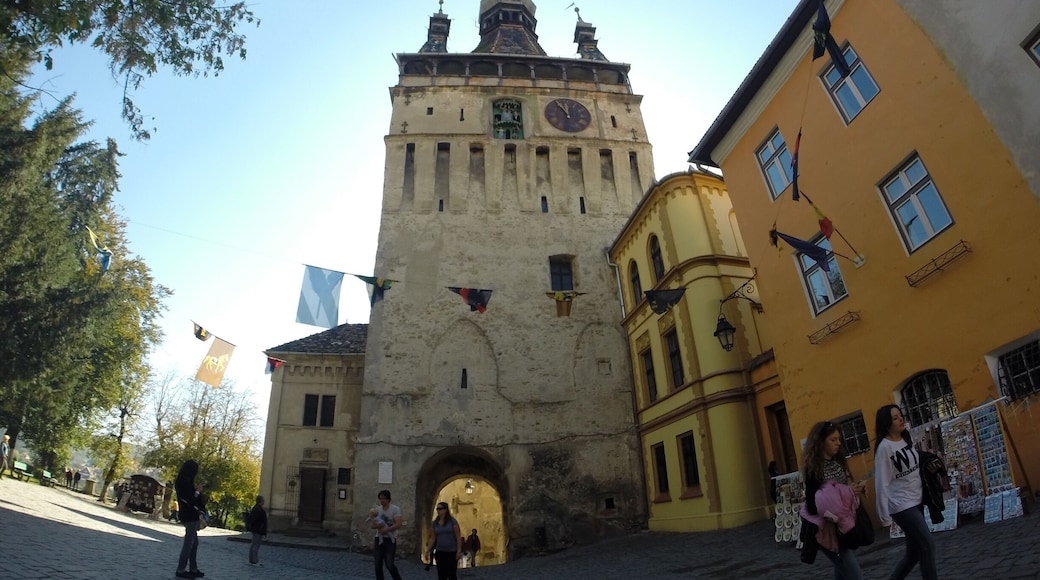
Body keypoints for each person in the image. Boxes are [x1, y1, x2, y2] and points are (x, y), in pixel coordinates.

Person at [875, 405, 938, 580]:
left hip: (917, 501)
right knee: (927, 546)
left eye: (900, 415)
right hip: (901, 505)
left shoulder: (905, 439)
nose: (901, 419)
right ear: (886, 423)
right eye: (895, 418)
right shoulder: (884, 448)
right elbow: (882, 484)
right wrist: (884, 517)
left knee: (914, 553)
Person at [799, 421, 865, 580]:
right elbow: (812, 504)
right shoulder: (814, 468)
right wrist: (832, 505)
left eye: (838, 439)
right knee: (853, 574)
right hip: (824, 528)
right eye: (833, 439)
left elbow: (842, 489)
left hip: (842, 524)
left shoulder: (838, 462)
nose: (838, 443)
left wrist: (853, 490)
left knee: (842, 573)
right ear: (821, 442)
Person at [174, 460, 207, 579]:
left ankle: (193, 568)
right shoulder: (184, 483)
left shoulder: (184, 481)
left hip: (189, 514)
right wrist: (197, 491)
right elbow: (190, 500)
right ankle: (181, 569)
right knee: (189, 543)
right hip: (189, 515)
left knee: (194, 543)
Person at [425, 502, 462, 580]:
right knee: (441, 575)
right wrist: (427, 551)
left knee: (452, 574)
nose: (438, 511)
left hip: (451, 552)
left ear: (445, 510)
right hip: (440, 552)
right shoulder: (434, 523)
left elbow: (458, 537)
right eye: (437, 509)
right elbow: (432, 538)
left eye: (440, 509)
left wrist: (459, 551)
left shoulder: (453, 522)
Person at [371, 489, 403, 580]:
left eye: (384, 499)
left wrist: (387, 529)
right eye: (380, 499)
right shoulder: (377, 510)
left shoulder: (395, 509)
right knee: (377, 565)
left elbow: (398, 523)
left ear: (388, 499)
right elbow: (372, 525)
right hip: (379, 539)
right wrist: (378, 525)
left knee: (389, 564)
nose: (382, 501)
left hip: (390, 540)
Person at [247, 495, 268, 567]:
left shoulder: (256, 508)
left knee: (253, 544)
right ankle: (255, 561)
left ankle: (252, 560)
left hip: (256, 529)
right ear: (261, 501)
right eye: (263, 500)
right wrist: (260, 527)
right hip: (258, 529)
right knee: (256, 545)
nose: (264, 501)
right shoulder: (258, 509)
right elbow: (256, 520)